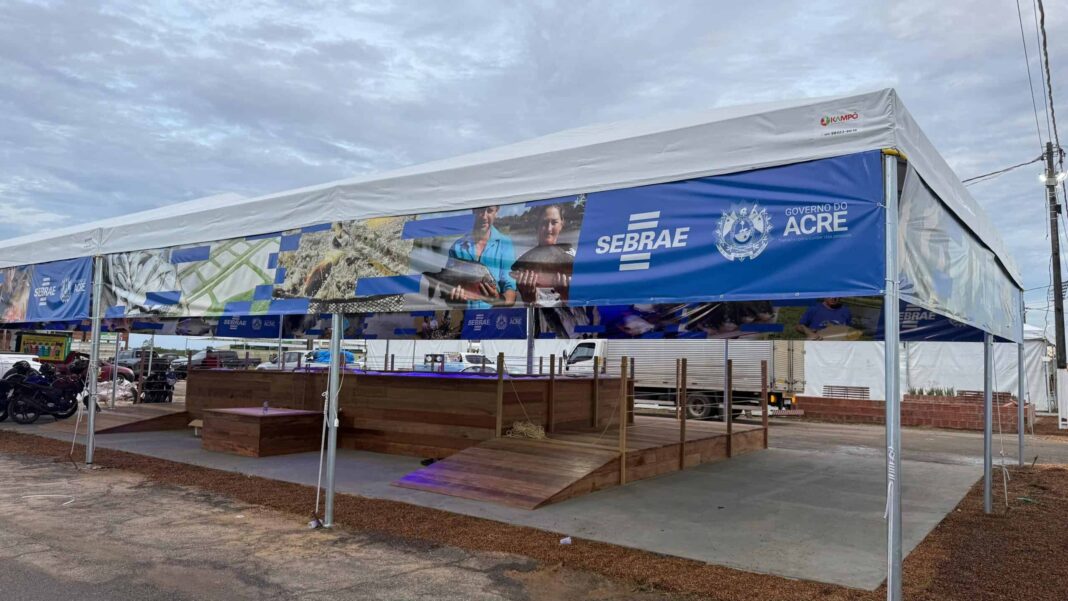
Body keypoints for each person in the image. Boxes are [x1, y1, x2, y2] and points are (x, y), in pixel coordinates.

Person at [447, 206, 517, 308]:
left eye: (489, 211)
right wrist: (453, 298)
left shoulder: (506, 244)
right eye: (480, 210)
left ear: (496, 211)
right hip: (466, 316)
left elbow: (511, 291)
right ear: (473, 210)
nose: (484, 216)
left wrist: (497, 299)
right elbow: (447, 290)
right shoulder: (456, 247)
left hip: (495, 316)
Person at [513, 204, 575, 305]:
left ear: (561, 224)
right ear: (537, 225)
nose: (549, 229)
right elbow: (522, 307)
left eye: (554, 222)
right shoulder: (524, 260)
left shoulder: (576, 257)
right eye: (544, 223)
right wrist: (529, 299)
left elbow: (585, 305)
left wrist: (567, 296)